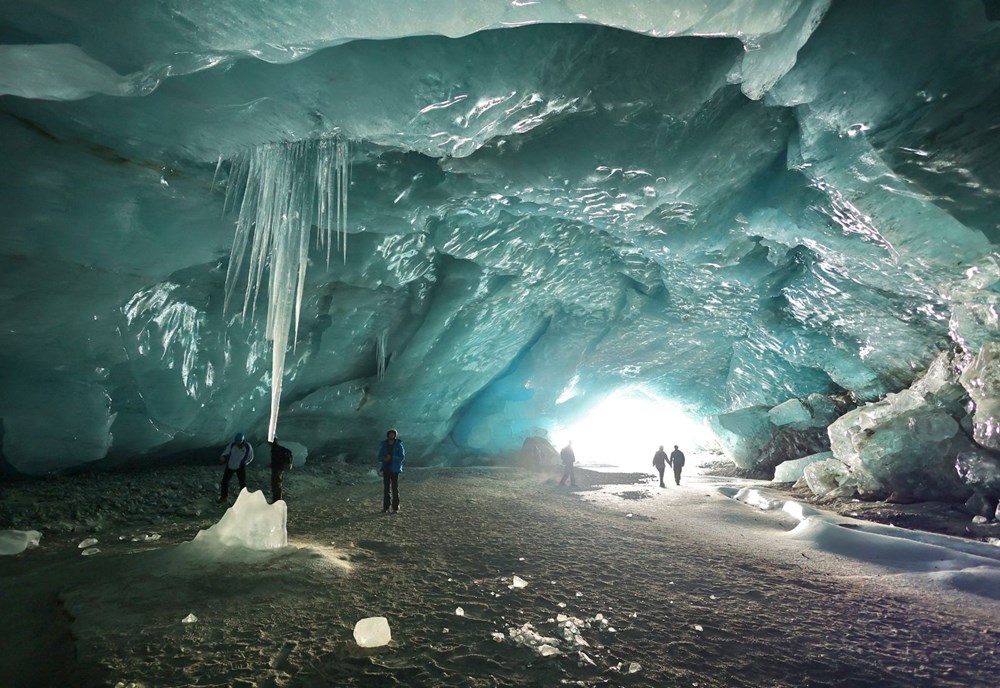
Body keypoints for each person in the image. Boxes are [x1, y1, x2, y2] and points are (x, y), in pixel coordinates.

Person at [220, 432, 253, 503]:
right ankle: (224, 497)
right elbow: (227, 451)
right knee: (224, 482)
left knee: (242, 483)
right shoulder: (232, 444)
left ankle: (244, 499)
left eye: (239, 441)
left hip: (240, 467)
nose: (237, 443)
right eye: (237, 441)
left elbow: (250, 457)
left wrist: (244, 463)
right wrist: (223, 456)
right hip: (230, 465)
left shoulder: (247, 446)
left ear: (242, 441)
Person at [378, 428, 405, 513]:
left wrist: (392, 458)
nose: (391, 435)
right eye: (390, 434)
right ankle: (386, 507)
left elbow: (402, 457)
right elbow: (379, 456)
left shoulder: (398, 445)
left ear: (395, 435)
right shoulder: (384, 445)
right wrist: (384, 459)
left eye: (393, 434)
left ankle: (395, 508)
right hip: (386, 468)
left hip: (395, 469)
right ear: (388, 435)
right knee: (386, 489)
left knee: (394, 488)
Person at [268, 436, 293, 503]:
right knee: (277, 483)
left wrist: (273, 465)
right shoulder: (277, 448)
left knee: (276, 484)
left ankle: (277, 500)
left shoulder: (275, 449)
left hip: (277, 469)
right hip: (278, 468)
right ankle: (277, 499)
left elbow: (276, 460)